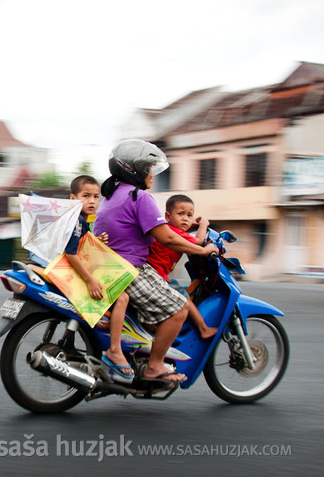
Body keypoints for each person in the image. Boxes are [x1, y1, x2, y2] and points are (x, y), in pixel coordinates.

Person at [93, 139, 219, 384]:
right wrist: (202, 251)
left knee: (166, 296)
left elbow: (159, 226)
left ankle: (142, 348)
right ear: (136, 170)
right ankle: (154, 366)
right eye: (149, 168)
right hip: (128, 269)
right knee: (180, 306)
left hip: (108, 266)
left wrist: (190, 225)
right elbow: (168, 237)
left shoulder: (113, 196)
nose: (152, 174)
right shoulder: (139, 197)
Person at [63, 175, 133, 380]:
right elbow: (71, 254)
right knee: (122, 297)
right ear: (73, 198)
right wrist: (90, 280)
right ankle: (114, 350)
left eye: (96, 196)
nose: (92, 201)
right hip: (76, 275)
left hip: (76, 272)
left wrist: (94, 241)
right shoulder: (77, 220)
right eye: (86, 196)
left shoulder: (80, 221)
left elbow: (79, 246)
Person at [147, 194, 217, 339]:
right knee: (183, 297)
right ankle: (203, 328)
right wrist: (204, 224)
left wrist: (193, 224)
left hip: (156, 274)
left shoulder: (170, 230)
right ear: (167, 216)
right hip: (158, 276)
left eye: (189, 215)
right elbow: (198, 241)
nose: (185, 218)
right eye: (181, 214)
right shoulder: (175, 232)